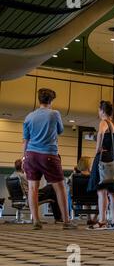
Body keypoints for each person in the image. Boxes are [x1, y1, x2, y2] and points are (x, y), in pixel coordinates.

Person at [22, 88, 76, 230]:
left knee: (32, 188)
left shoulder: (29, 117)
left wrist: (23, 158)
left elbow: (25, 140)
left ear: (39, 99)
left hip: (30, 155)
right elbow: (60, 130)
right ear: (51, 100)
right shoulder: (54, 114)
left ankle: (36, 221)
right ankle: (66, 221)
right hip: (49, 155)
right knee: (60, 188)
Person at [87, 101, 114, 230]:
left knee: (102, 192)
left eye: (99, 110)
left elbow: (101, 132)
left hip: (104, 159)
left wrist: (97, 148)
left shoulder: (104, 122)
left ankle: (102, 221)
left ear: (102, 111)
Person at [10, 159, 63, 223]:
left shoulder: (12, 176)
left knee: (52, 192)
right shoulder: (23, 176)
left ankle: (58, 217)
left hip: (20, 198)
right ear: (22, 166)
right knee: (52, 189)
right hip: (30, 197)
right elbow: (34, 186)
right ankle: (58, 218)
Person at [67, 156, 96, 224]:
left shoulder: (73, 176)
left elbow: (68, 184)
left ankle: (71, 215)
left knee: (69, 192)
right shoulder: (94, 176)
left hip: (78, 198)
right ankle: (93, 218)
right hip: (93, 198)